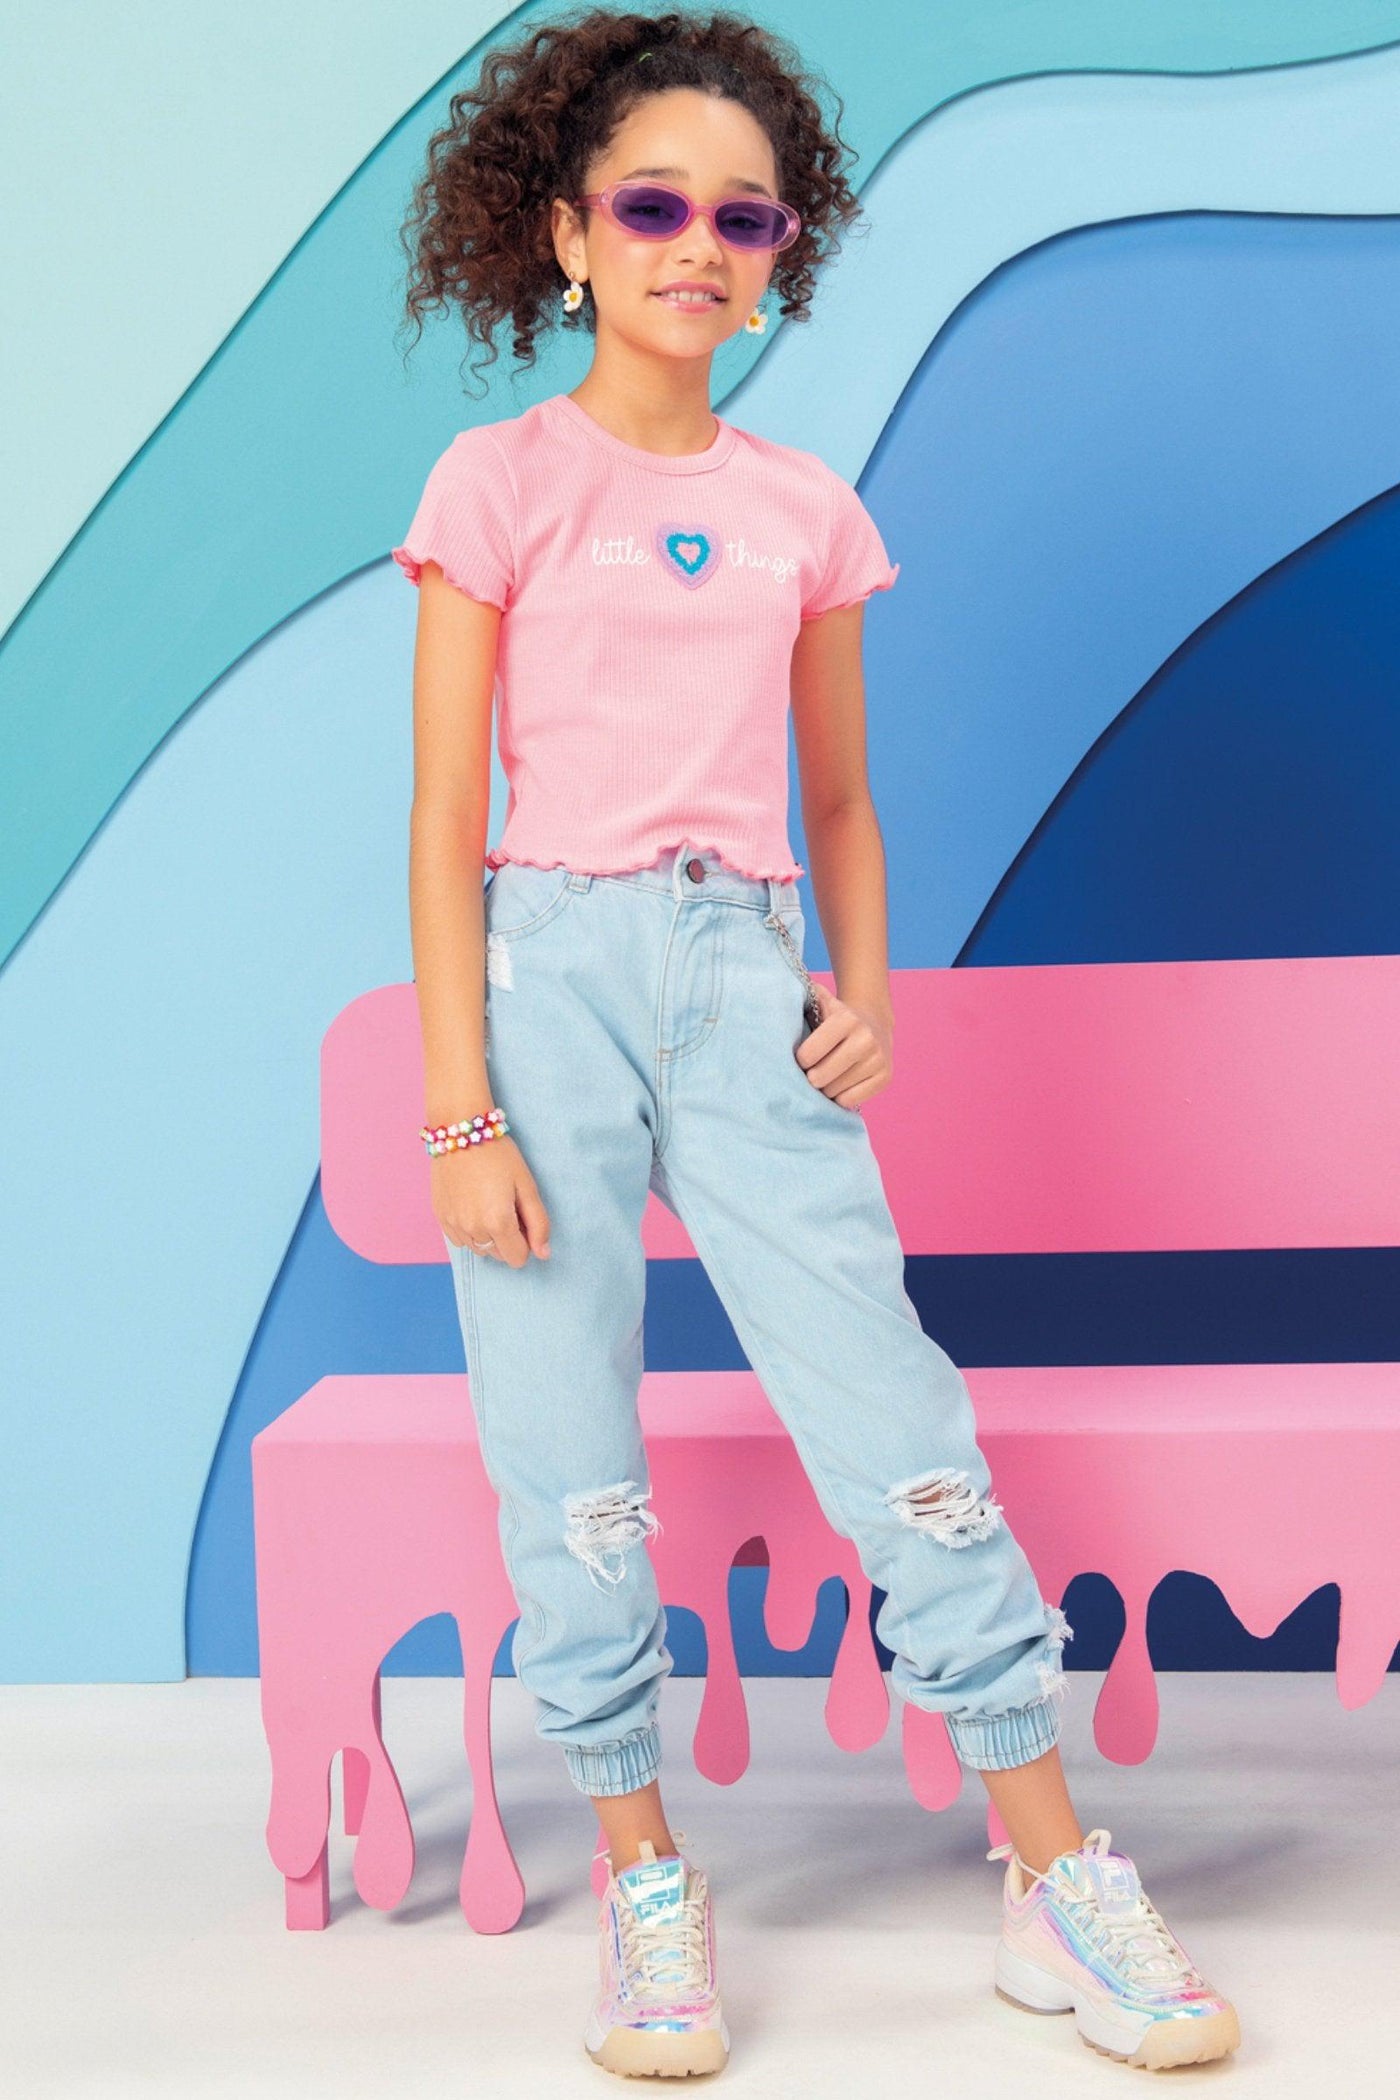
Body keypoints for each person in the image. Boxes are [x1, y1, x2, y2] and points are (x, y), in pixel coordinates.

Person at [393, 7, 1241, 2079]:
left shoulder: (802, 510)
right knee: (568, 1458)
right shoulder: (499, 483)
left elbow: (843, 802)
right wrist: (458, 1113)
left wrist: (861, 994)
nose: (698, 243)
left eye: (743, 216)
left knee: (894, 1419)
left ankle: (1052, 1872)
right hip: (546, 973)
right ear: (566, 234)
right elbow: (438, 819)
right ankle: (644, 1881)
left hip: (740, 964)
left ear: (782, 250)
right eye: (651, 206)